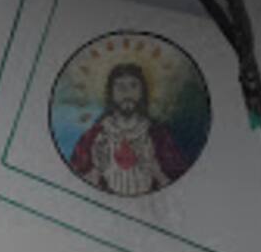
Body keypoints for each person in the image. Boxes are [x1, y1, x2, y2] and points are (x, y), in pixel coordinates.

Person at [69, 63, 188, 196]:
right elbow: (75, 189)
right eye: (120, 87)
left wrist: (155, 169)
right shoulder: (93, 137)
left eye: (133, 86)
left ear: (142, 91)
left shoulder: (158, 135)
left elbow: (180, 190)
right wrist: (98, 168)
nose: (127, 93)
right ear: (111, 93)